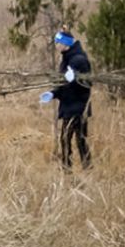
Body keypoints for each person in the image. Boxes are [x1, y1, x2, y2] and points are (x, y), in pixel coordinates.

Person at [39, 31, 93, 171]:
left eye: (58, 42)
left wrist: (75, 76)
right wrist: (53, 93)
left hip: (78, 107)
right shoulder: (67, 58)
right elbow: (64, 85)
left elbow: (87, 83)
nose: (56, 45)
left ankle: (67, 168)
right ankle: (85, 167)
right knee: (78, 139)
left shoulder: (79, 59)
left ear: (66, 43)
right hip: (70, 105)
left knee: (67, 138)